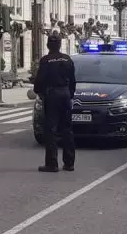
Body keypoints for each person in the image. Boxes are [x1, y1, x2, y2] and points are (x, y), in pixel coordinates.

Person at [33, 33, 76, 172]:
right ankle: (69, 163)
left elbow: (39, 81)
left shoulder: (46, 60)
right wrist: (70, 94)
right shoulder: (67, 59)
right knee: (67, 129)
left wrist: (39, 92)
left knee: (50, 130)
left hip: (52, 95)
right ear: (60, 44)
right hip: (65, 94)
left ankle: (52, 163)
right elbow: (73, 80)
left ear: (47, 45)